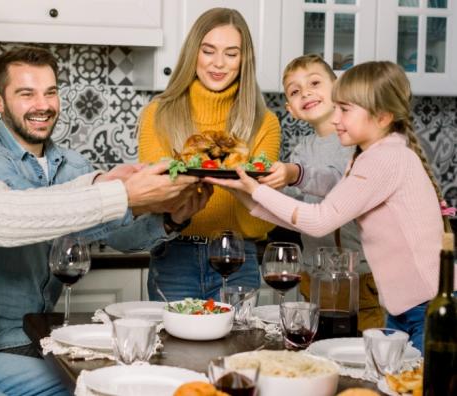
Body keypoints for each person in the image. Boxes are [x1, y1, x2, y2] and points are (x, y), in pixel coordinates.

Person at [0, 43, 198, 395]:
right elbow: (2, 217)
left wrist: (106, 181)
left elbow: (5, 199)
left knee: (87, 386)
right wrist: (124, 195)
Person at [0, 46, 212, 357]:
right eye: (27, 94)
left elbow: (117, 236)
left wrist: (170, 217)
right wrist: (128, 198)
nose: (43, 105)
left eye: (50, 92)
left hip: (48, 332)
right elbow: (32, 222)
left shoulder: (74, 165)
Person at [207, 60, 452, 353]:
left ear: (383, 116)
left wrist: (257, 189)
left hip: (427, 309)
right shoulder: (371, 155)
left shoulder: (384, 159)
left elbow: (321, 220)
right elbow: (312, 211)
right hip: (407, 307)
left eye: (344, 109)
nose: (335, 119)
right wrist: (242, 191)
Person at [138, 8, 281, 301]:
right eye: (208, 51)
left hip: (237, 257)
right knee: (173, 346)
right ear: (194, 53)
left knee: (238, 346)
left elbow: (261, 223)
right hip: (174, 258)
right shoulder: (158, 115)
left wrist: (237, 183)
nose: (218, 63)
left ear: (244, 60)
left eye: (231, 53)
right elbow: (152, 202)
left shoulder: (264, 122)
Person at [261, 54, 383, 331]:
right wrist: (260, 186)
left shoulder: (358, 141)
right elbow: (298, 207)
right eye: (295, 91)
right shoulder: (302, 148)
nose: (306, 92)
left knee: (361, 356)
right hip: (315, 277)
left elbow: (340, 186)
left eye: (314, 82)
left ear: (339, 87)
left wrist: (294, 174)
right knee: (321, 353)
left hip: (362, 278)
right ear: (291, 109)